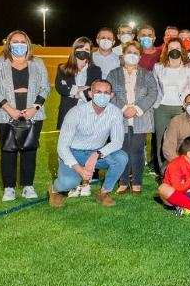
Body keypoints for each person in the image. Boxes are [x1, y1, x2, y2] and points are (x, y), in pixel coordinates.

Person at [0, 30, 49, 203]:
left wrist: (34, 108)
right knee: (8, 150)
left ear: (28, 44)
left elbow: (45, 88)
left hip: (33, 113)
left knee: (30, 149)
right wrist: (10, 109)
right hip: (5, 114)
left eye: (23, 42)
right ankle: (9, 188)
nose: (19, 45)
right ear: (8, 44)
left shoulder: (38, 63)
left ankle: (28, 186)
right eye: (15, 41)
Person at [49, 79, 127, 207]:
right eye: (98, 92)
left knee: (121, 157)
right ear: (90, 94)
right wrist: (79, 169)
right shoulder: (76, 112)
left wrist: (96, 154)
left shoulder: (115, 112)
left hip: (95, 153)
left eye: (106, 93)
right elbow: (62, 147)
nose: (103, 96)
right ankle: (54, 190)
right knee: (69, 183)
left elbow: (117, 142)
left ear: (111, 95)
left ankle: (104, 192)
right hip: (73, 153)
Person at [107, 41, 160, 194]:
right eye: (129, 52)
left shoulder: (147, 74)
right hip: (120, 117)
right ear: (123, 55)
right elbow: (110, 93)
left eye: (135, 53)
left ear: (139, 56)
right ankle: (123, 181)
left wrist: (137, 108)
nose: (132, 55)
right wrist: (124, 108)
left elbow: (153, 93)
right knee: (122, 150)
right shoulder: (113, 73)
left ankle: (136, 181)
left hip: (140, 118)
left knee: (136, 151)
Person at [153, 39, 190, 171]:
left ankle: (183, 168)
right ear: (166, 50)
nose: (174, 50)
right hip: (162, 108)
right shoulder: (158, 67)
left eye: (178, 48)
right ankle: (163, 170)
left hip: (181, 108)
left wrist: (189, 107)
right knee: (161, 140)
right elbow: (155, 88)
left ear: (182, 50)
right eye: (171, 47)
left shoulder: (189, 68)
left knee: (182, 139)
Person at [54, 37, 101, 130]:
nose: (83, 51)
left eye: (87, 49)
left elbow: (95, 91)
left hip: (88, 114)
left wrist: (74, 94)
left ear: (90, 53)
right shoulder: (62, 68)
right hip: (68, 113)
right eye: (80, 48)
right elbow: (60, 88)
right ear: (74, 49)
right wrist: (80, 88)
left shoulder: (96, 70)